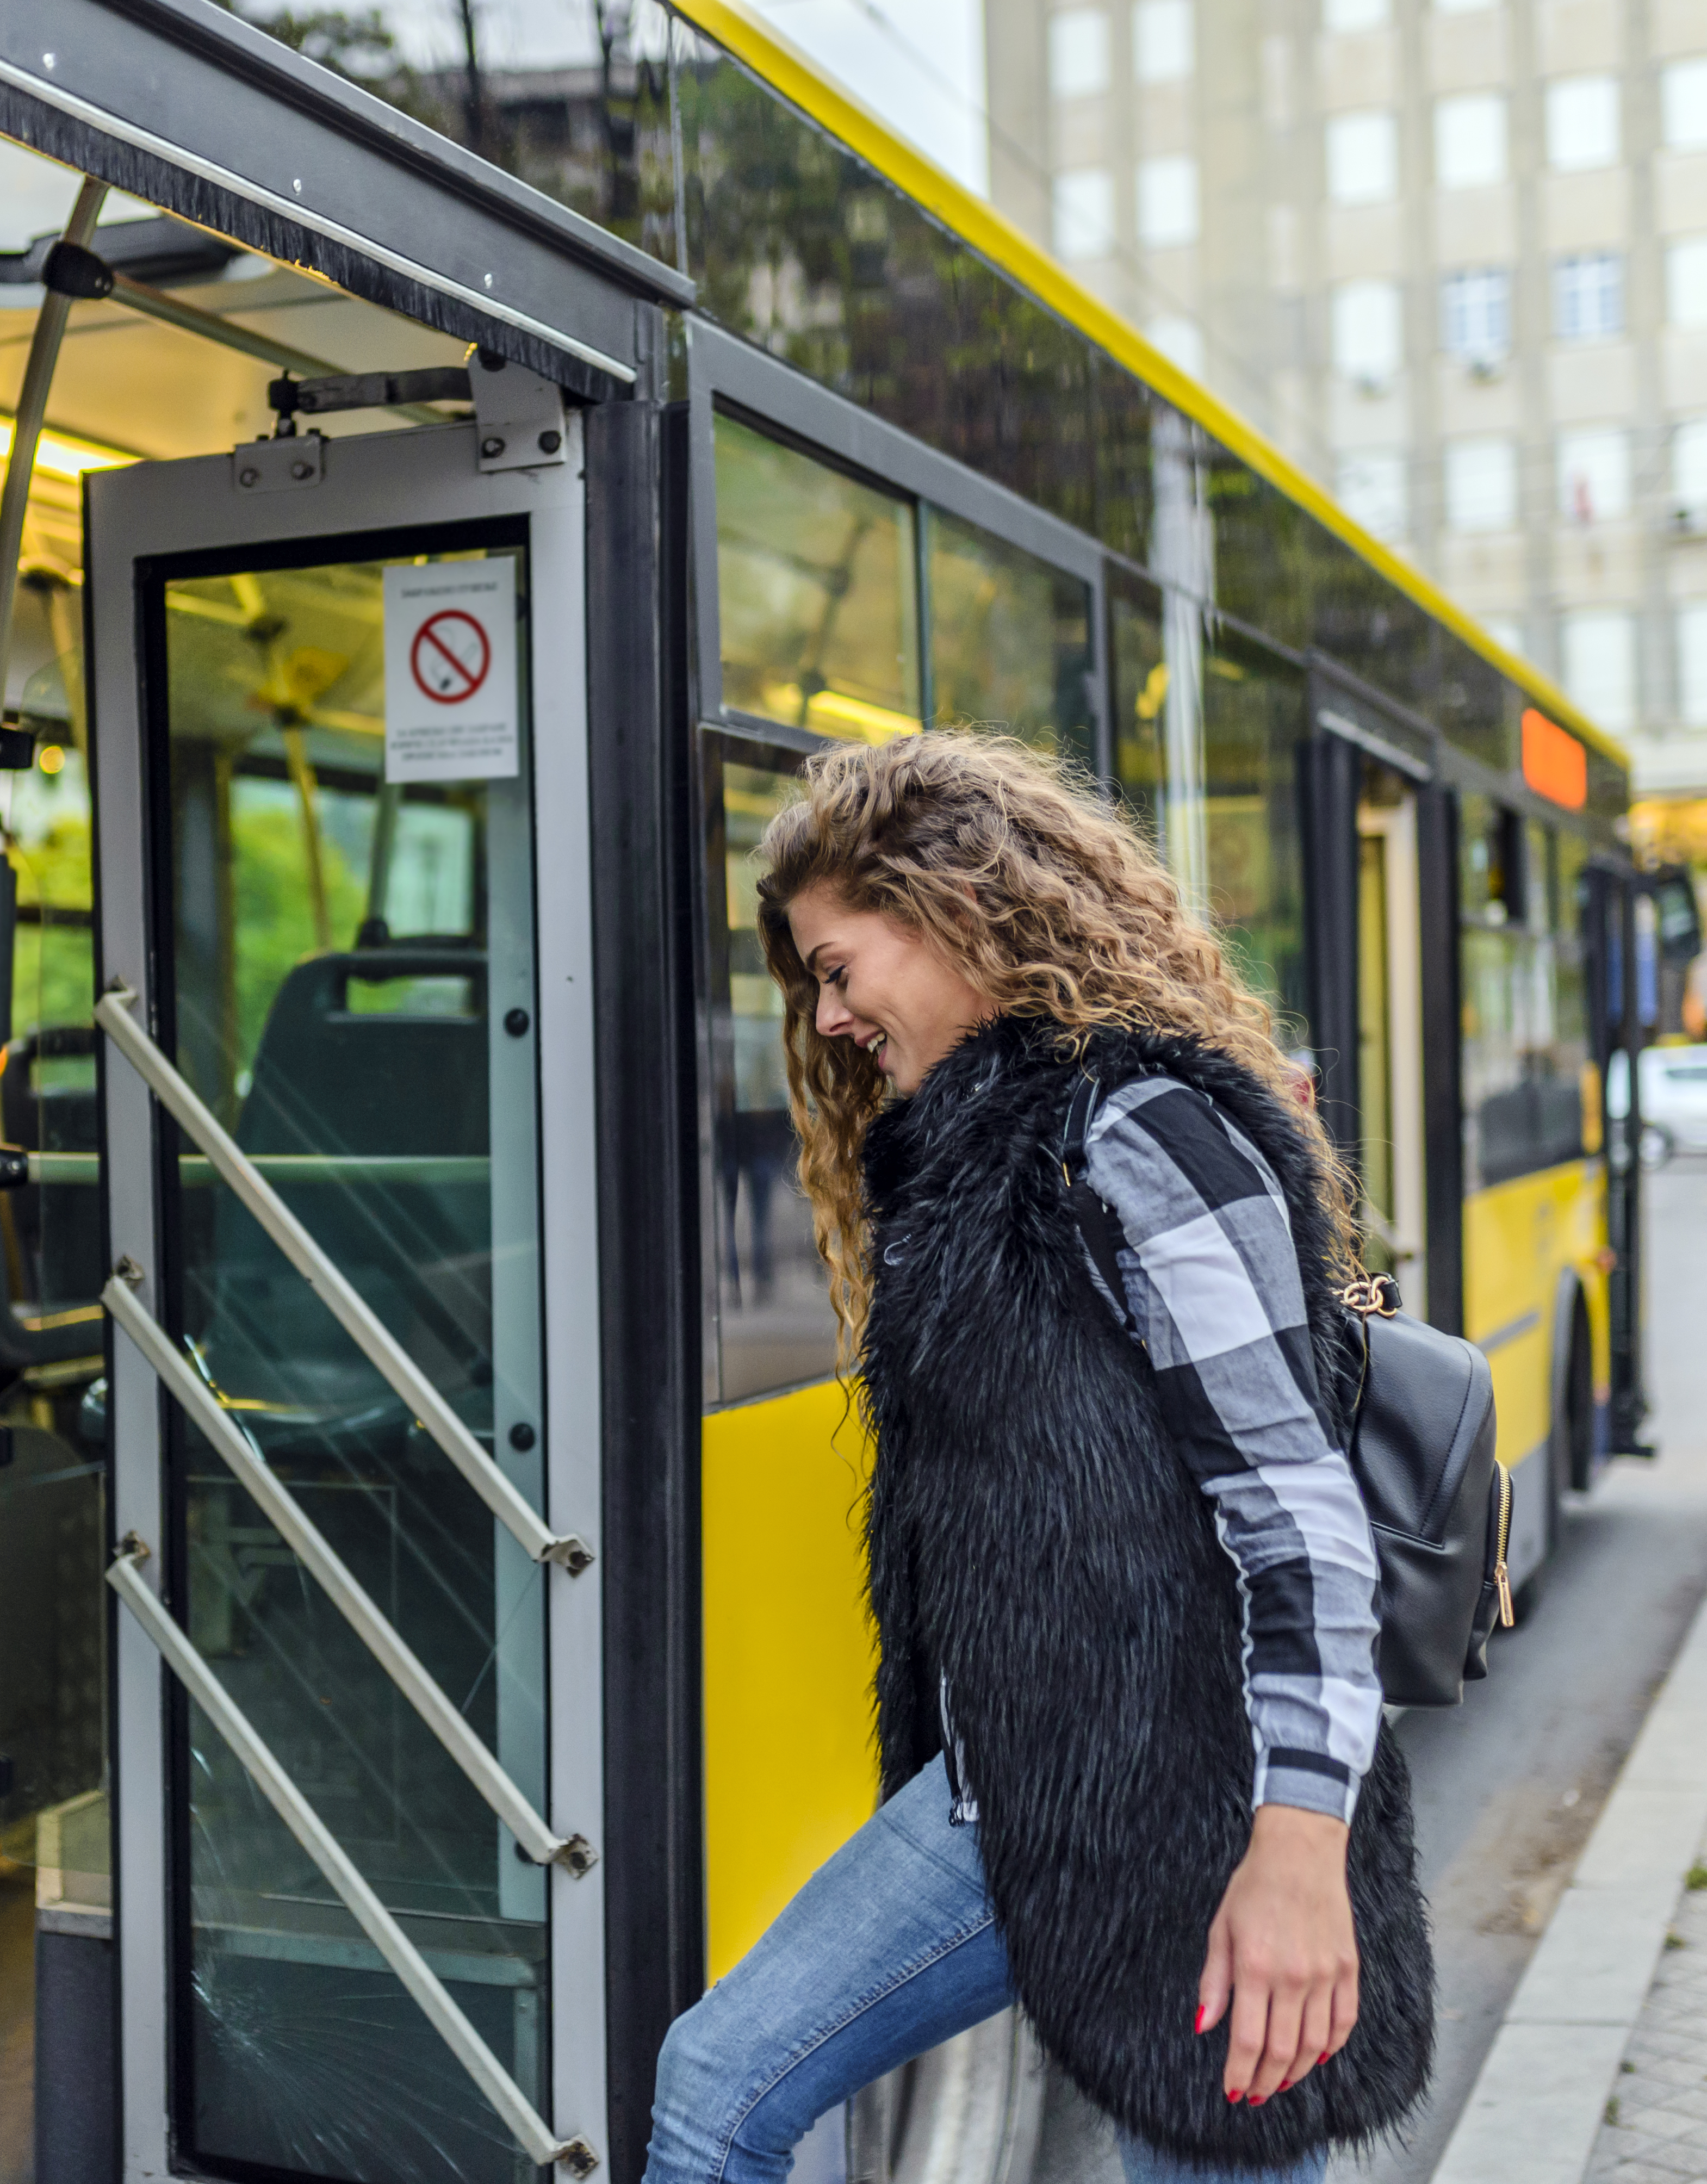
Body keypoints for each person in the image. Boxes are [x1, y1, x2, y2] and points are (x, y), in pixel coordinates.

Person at [646, 737, 1429, 2184]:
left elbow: (1299, 1519)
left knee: (729, 2093)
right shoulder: (978, 1161)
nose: (828, 1018)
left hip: (1189, 1804)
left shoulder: (1145, 1135)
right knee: (716, 2086)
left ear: (954, 913)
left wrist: (1301, 1850)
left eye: (837, 966)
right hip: (1020, 1791)